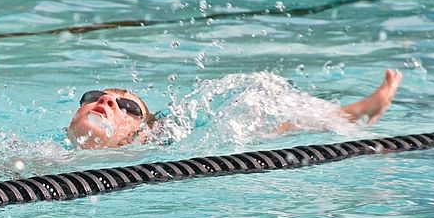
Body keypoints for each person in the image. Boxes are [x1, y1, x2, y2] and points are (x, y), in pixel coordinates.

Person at [66, 69, 403, 149]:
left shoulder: (149, 152)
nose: (106, 101)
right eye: (94, 95)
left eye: (128, 107)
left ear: (139, 135)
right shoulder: (40, 153)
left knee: (264, 124)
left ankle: (358, 111)